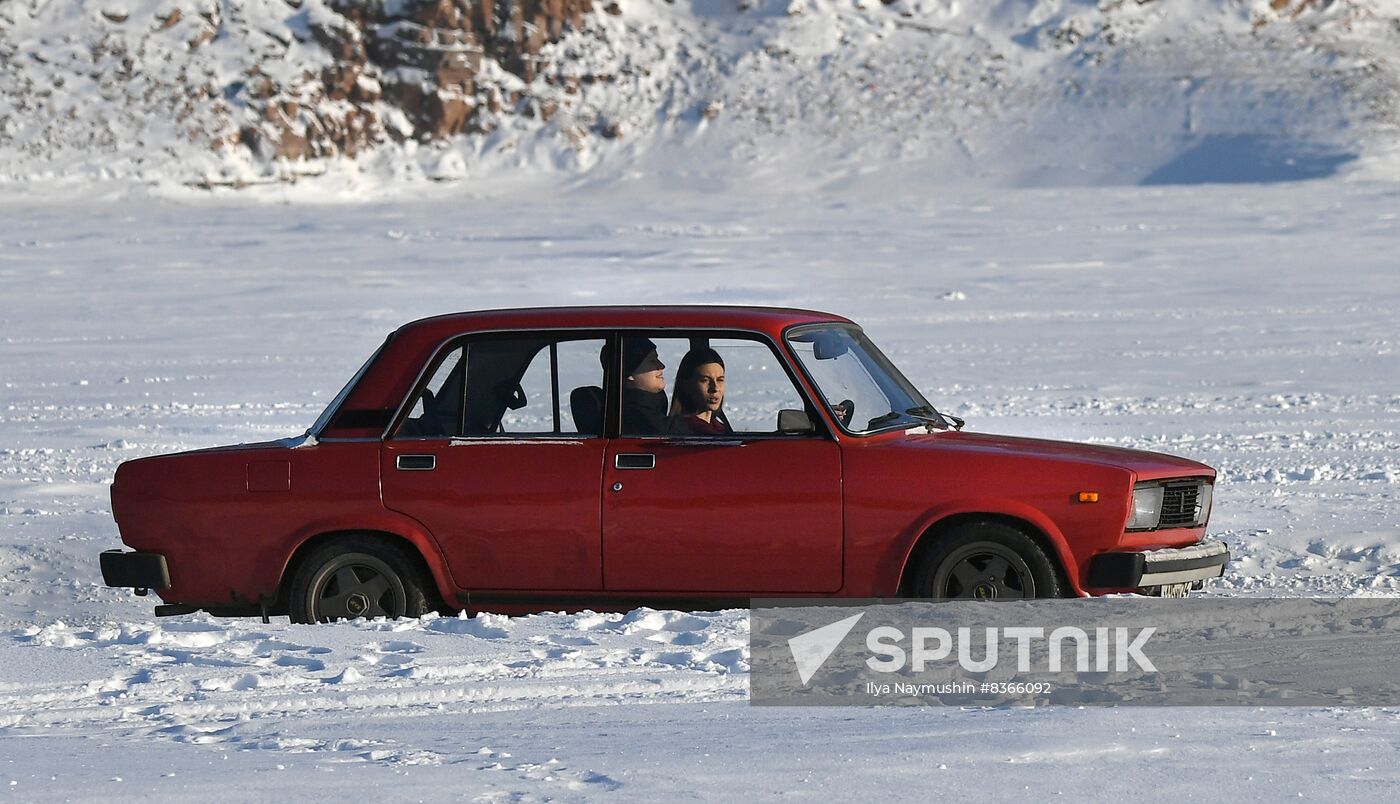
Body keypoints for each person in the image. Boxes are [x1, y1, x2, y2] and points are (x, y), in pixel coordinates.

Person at [668, 347, 732, 435]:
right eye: (705, 380)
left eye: (720, 380)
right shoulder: (680, 431)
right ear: (686, 385)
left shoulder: (721, 429)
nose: (715, 388)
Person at [619, 338, 669, 435]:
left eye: (657, 359)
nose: (661, 365)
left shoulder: (652, 409)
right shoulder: (635, 417)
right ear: (630, 374)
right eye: (652, 361)